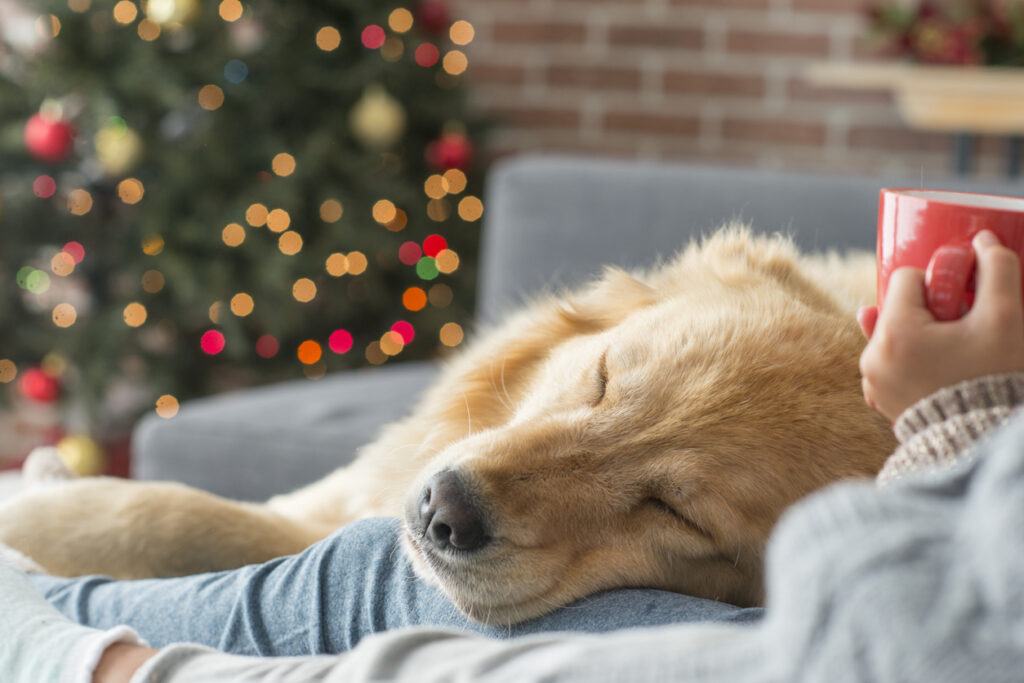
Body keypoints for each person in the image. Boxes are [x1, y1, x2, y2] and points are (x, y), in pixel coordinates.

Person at [4, 229, 1024, 682]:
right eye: (598, 384)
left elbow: (930, 633)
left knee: (370, 567)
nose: (490, 483)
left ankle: (46, 627)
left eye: (674, 511)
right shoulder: (683, 309)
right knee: (369, 534)